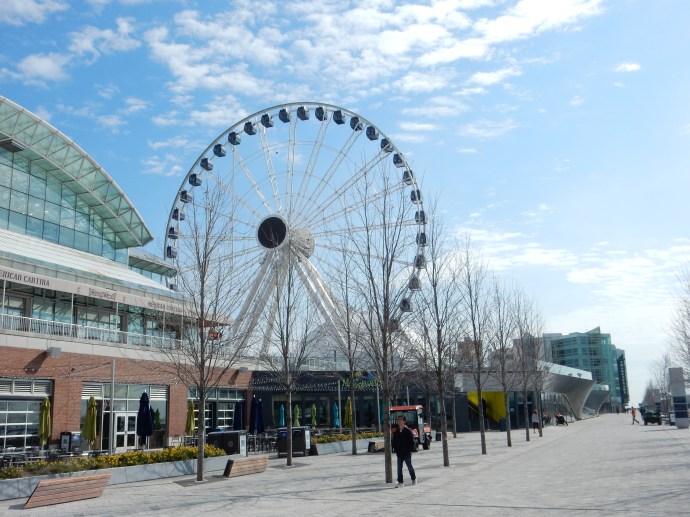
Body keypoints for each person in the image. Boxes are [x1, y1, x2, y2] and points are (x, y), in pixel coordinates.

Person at [391, 415, 417, 488]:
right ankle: (400, 482)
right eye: (398, 419)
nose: (399, 421)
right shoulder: (396, 431)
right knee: (399, 468)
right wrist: (395, 449)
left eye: (401, 419)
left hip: (407, 453)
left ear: (404, 421)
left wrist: (410, 450)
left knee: (409, 466)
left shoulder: (408, 431)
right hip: (399, 453)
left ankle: (413, 478)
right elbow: (394, 441)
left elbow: (412, 442)